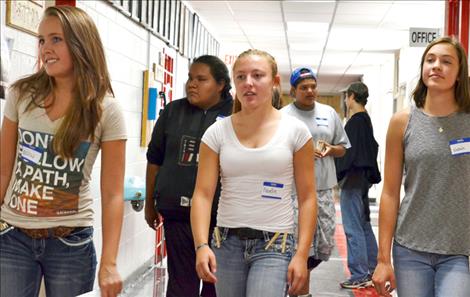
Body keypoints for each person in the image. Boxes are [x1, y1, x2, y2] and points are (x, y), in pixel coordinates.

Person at [0, 6, 125, 297]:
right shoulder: (22, 93)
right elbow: (4, 169)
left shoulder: (107, 109)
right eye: (41, 40)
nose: (45, 49)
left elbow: (113, 194)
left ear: (81, 44)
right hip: (13, 237)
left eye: (56, 39)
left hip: (71, 242)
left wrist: (109, 261)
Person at [190, 49, 317, 297]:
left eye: (257, 75)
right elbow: (203, 195)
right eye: (241, 77)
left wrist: (302, 255)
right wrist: (201, 245)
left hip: (275, 244)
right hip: (226, 242)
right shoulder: (217, 132)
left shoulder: (296, 132)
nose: (248, 83)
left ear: (275, 82)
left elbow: (308, 197)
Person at [373, 36, 470, 297]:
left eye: (446, 61)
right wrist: (383, 259)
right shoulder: (402, 122)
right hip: (410, 247)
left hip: (460, 249)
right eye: (430, 60)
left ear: (460, 74)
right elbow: (390, 192)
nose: (436, 66)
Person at [145, 55, 233, 297]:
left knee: (216, 286)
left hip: (220, 221)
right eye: (190, 78)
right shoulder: (174, 111)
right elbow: (154, 160)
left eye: (201, 79)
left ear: (220, 85)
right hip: (178, 214)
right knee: (181, 286)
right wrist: (149, 203)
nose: (192, 84)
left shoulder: (236, 115)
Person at [282, 67, 350, 297]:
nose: (310, 91)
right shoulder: (283, 116)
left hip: (323, 189)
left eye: (313, 86)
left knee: (322, 247)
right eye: (304, 88)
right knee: (300, 245)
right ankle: (298, 291)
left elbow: (343, 148)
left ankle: (295, 287)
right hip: (292, 191)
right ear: (293, 91)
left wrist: (331, 149)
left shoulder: (329, 113)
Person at [335, 81, 381, 289]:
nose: (346, 101)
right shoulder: (366, 121)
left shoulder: (354, 123)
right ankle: (371, 268)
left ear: (351, 96)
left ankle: (359, 274)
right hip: (363, 179)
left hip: (352, 179)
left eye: (347, 97)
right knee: (363, 225)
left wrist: (335, 174)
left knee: (353, 227)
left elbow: (347, 153)